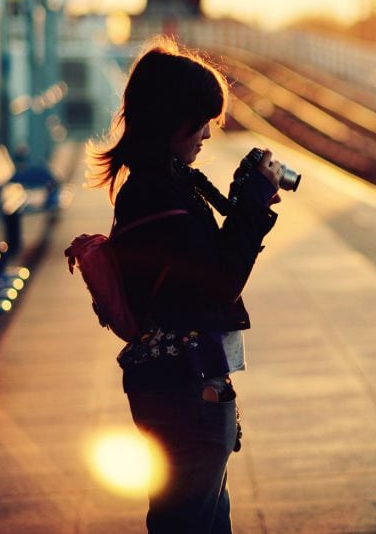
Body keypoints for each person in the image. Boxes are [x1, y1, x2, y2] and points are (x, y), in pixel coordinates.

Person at [87, 39, 283, 533]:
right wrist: (253, 210)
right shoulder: (157, 194)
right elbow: (218, 282)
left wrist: (241, 206)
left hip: (185, 387)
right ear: (170, 120)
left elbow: (202, 267)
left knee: (201, 520)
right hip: (185, 392)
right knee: (192, 525)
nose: (207, 135)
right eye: (200, 122)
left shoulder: (163, 183)